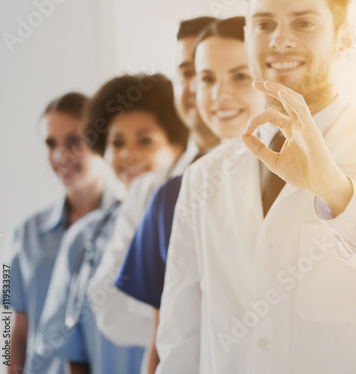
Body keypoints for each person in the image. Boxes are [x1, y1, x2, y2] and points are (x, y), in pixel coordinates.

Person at [155, 0, 356, 373]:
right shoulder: (204, 177)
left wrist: (340, 193)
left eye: (304, 23)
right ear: (246, 39)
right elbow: (181, 338)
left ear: (344, 39)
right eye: (263, 24)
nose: (279, 40)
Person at [114, 17, 265, 373]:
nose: (219, 94)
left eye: (241, 76)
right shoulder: (173, 197)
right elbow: (163, 339)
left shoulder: (311, 181)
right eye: (207, 78)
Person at [35, 73, 188, 374]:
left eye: (145, 140)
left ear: (177, 147)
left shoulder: (193, 224)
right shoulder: (83, 238)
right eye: (116, 143)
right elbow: (67, 346)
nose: (128, 154)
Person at [86, 18, 219, 358]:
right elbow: (110, 307)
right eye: (186, 72)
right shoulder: (152, 192)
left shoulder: (264, 172)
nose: (195, 87)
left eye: (207, 72)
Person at [0, 92, 110, 374]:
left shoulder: (127, 229)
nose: (60, 156)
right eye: (51, 144)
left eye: (74, 142)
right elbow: (12, 327)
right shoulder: (23, 234)